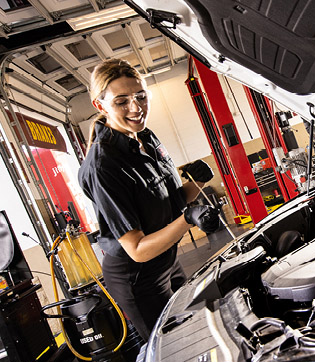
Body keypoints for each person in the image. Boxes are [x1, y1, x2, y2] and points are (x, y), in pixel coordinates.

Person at [78, 58, 219, 341]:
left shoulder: (146, 137)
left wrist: (198, 183)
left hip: (167, 260)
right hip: (138, 277)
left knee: (197, 328)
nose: (136, 108)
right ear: (100, 105)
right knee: (173, 348)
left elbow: (168, 200)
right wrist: (188, 219)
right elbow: (138, 249)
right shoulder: (103, 166)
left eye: (141, 97)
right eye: (122, 101)